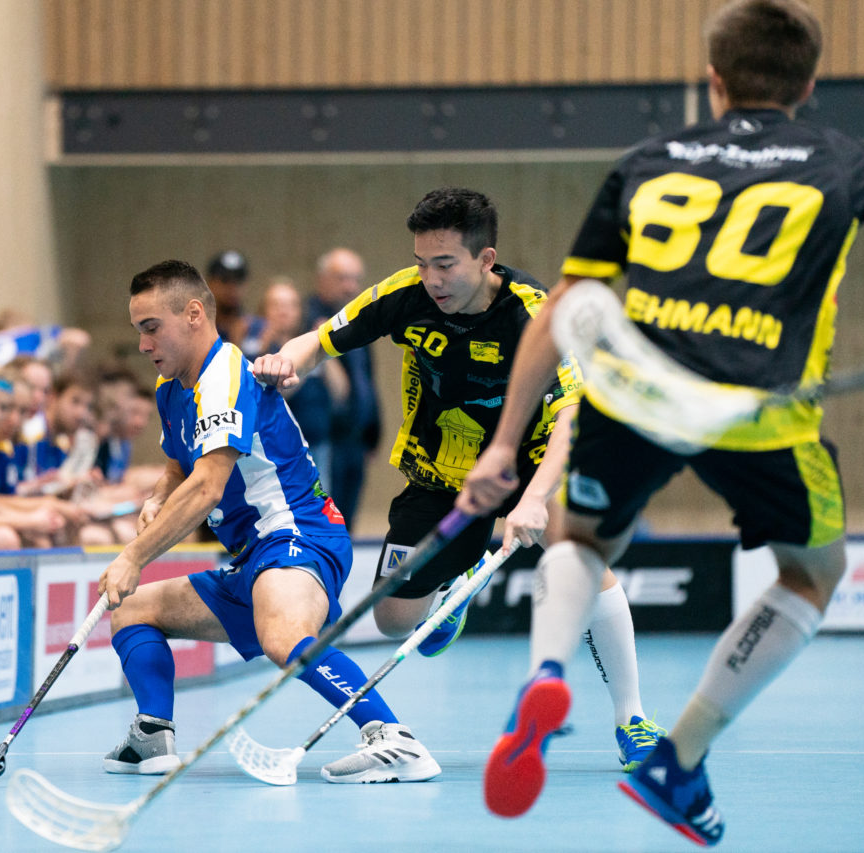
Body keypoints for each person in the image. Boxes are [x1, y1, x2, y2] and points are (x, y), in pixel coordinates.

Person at [456, 1, 864, 844]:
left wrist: (503, 447)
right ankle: (681, 758)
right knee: (811, 575)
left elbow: (566, 305)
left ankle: (546, 671)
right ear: (811, 83)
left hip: (633, 391)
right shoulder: (848, 160)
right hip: (756, 412)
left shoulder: (648, 158)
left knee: (582, 536)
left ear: (712, 80)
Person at [254, 188, 659, 767]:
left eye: (445, 264)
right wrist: (284, 362)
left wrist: (535, 501)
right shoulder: (405, 295)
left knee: (579, 553)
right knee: (394, 620)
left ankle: (633, 720)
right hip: (440, 470)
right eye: (423, 262)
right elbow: (318, 342)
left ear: (485, 260)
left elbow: (574, 414)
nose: (432, 278)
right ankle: (455, 582)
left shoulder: (537, 314)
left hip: (532, 456)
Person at [98, 259, 439, 784]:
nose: (143, 345)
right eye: (138, 331)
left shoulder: (225, 374)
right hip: (252, 557)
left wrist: (132, 556)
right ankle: (152, 734)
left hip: (298, 534)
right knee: (134, 611)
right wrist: (159, 493)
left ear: (193, 314)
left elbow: (209, 483)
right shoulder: (172, 391)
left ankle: (393, 738)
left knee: (283, 636)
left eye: (150, 328)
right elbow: (178, 463)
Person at [285, 248, 381, 528]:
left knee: (346, 522)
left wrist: (372, 433)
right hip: (323, 439)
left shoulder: (359, 319)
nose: (351, 286)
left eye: (356, 279)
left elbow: (366, 381)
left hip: (355, 440)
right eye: (342, 278)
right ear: (322, 279)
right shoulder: (306, 319)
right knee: (326, 521)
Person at [204, 249, 261, 349]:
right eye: (225, 280)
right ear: (209, 283)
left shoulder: (259, 330)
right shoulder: (199, 329)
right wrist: (235, 343)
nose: (232, 287)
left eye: (238, 281)